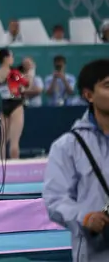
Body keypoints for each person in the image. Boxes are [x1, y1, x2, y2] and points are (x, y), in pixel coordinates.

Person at [43, 59, 109, 261]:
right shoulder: (68, 146)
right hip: (96, 250)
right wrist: (85, 217)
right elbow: (55, 199)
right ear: (88, 95)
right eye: (108, 85)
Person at [0, 48, 28, 159]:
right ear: (6, 58)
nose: (13, 59)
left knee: (1, 142)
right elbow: (25, 86)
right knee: (14, 142)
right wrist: (31, 71)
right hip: (16, 105)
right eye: (11, 56)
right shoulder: (13, 73)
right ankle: (15, 169)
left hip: (4, 106)